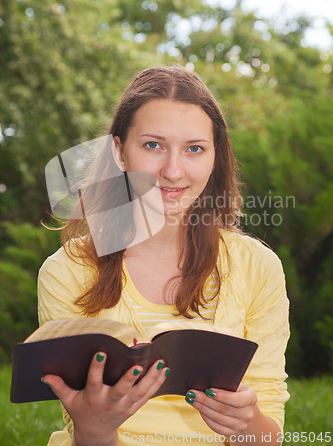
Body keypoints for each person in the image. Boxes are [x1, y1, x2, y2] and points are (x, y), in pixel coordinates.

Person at [38, 65, 290, 446]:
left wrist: (247, 422)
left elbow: (269, 438)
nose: (173, 171)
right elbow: (83, 432)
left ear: (214, 157)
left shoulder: (258, 268)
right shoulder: (67, 272)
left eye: (194, 149)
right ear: (120, 152)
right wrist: (96, 428)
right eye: (153, 145)